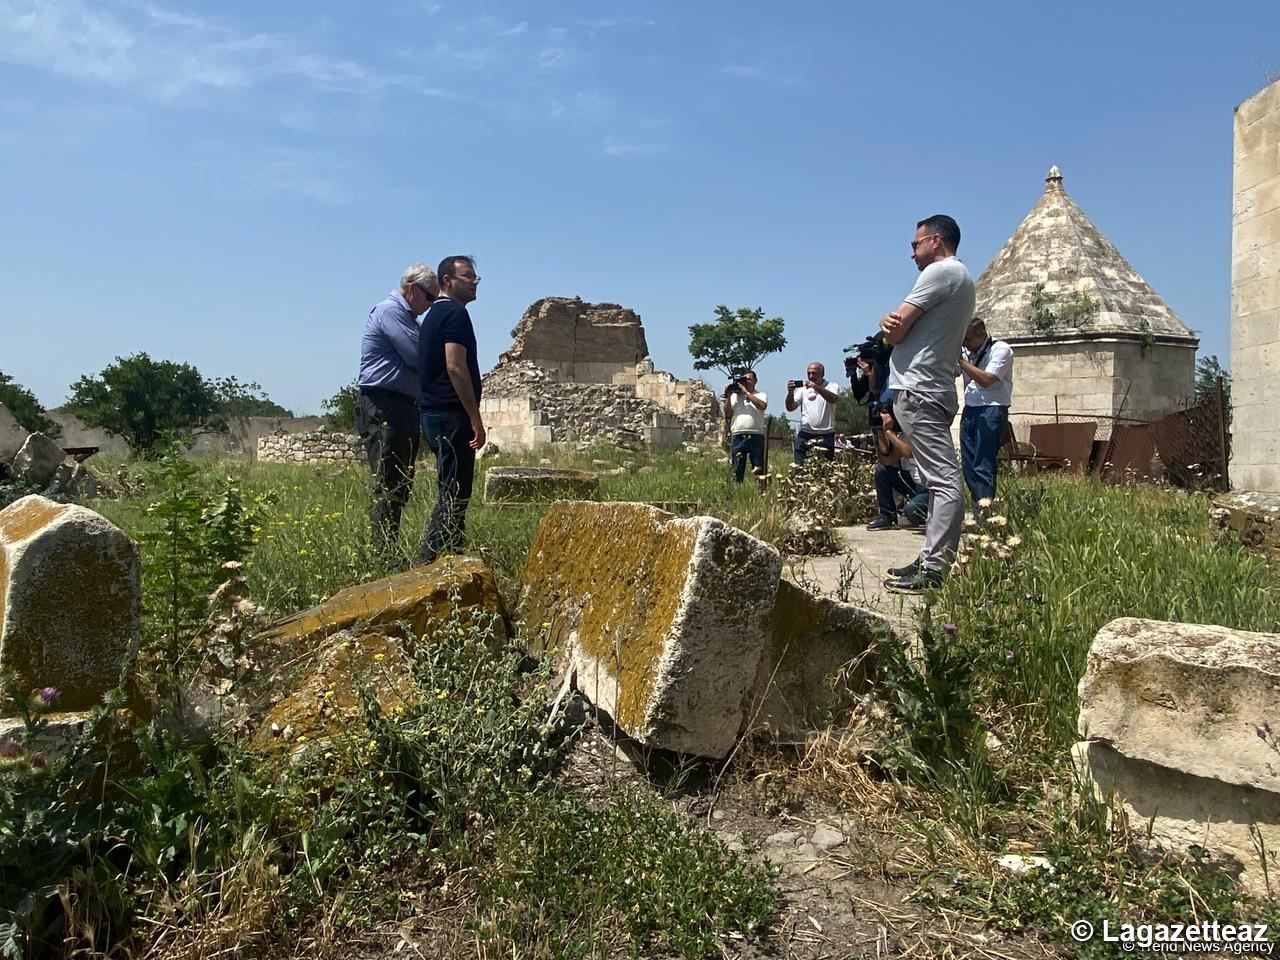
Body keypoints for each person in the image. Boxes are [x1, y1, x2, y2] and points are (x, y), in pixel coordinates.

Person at [878, 214, 975, 592]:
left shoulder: (940, 272)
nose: (912, 253)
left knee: (944, 481)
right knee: (937, 481)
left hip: (920, 389)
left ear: (936, 240)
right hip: (931, 388)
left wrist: (887, 323)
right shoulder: (961, 278)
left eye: (915, 244)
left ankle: (934, 569)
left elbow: (896, 330)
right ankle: (930, 556)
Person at [356, 263, 438, 567]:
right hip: (384, 404)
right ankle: (384, 556)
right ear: (412, 288)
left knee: (400, 481)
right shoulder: (390, 311)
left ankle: (389, 551)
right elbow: (419, 355)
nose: (430, 305)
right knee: (389, 481)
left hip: (402, 405)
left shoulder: (409, 319)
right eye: (429, 298)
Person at [416, 256, 485, 566]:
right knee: (454, 494)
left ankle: (453, 560)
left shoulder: (432, 315)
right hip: (451, 416)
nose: (474, 281)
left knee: (451, 490)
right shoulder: (455, 314)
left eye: (475, 276)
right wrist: (474, 417)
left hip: (433, 414)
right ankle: (427, 564)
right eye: (467, 276)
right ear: (447, 281)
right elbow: (455, 366)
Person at [958, 317, 1014, 514]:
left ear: (982, 335)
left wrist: (961, 362)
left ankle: (985, 511)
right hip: (970, 408)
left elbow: (987, 380)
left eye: (969, 339)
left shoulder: (1001, 350)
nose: (965, 344)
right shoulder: (966, 352)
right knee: (968, 464)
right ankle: (978, 506)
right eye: (963, 340)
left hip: (992, 408)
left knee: (983, 464)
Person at [869, 408, 929, 530]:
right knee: (882, 471)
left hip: (927, 487)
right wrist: (880, 431)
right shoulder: (901, 436)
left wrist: (889, 432)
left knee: (912, 510)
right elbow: (889, 461)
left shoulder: (921, 430)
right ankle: (887, 516)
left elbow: (908, 452)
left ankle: (933, 516)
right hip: (911, 482)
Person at [785, 362, 840, 464]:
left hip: (825, 435)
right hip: (805, 434)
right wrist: (790, 393)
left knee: (825, 468)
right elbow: (790, 407)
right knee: (800, 467)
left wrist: (817, 388)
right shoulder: (802, 390)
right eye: (808, 373)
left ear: (822, 374)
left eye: (814, 373)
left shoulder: (832, 386)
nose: (811, 376)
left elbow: (833, 399)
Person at [723, 370, 768, 483]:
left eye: (749, 379)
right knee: (737, 468)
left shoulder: (760, 395)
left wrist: (746, 393)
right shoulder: (735, 397)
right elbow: (727, 414)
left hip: (756, 436)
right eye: (744, 380)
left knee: (758, 467)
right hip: (738, 435)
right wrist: (728, 396)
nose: (746, 382)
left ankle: (761, 489)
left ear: (755, 381)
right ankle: (737, 489)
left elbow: (762, 406)